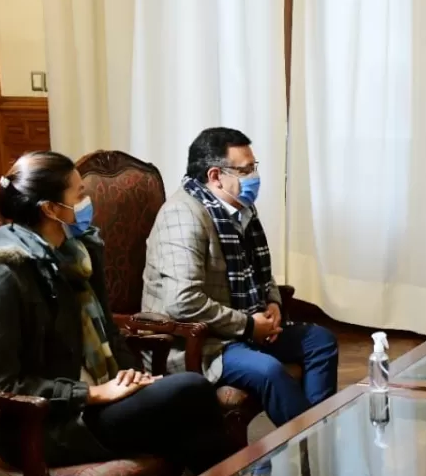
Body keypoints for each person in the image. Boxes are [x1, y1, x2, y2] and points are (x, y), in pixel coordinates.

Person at [0, 151, 232, 474]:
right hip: (49, 423)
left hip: (98, 397)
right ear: (51, 209)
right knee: (191, 391)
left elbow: (107, 330)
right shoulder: (3, 277)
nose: (88, 202)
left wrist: (132, 374)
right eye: (79, 195)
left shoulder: (75, 255)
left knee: (190, 420)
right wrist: (90, 393)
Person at [142, 127, 338, 427]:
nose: (253, 177)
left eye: (254, 168)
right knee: (269, 370)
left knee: (320, 341)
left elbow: (260, 272)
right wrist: (249, 326)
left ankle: (316, 434)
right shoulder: (182, 217)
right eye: (245, 170)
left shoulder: (240, 207)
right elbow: (183, 303)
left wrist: (273, 304)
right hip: (203, 341)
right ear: (215, 176)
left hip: (244, 328)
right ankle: (310, 443)